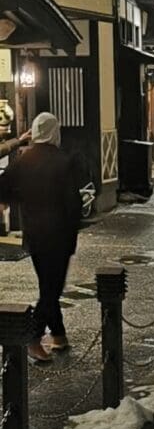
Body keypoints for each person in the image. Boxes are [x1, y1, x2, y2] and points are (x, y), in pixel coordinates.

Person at [0, 113, 82, 363]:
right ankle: (33, 338)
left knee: (47, 285)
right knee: (51, 289)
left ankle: (58, 334)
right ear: (55, 132)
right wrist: (73, 233)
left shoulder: (24, 160)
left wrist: (20, 200)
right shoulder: (63, 161)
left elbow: (3, 187)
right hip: (58, 235)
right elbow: (73, 204)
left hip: (34, 234)